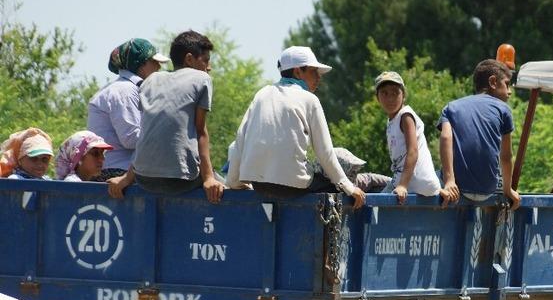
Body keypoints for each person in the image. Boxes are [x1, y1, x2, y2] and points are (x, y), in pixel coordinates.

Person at [225, 46, 365, 207]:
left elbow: (240, 138)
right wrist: (349, 188)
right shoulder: (309, 100)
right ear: (298, 72)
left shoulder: (262, 94)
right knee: (333, 184)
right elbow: (325, 153)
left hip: (259, 185)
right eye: (314, 72)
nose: (318, 77)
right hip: (292, 186)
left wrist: (233, 181)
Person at [108, 30, 224, 204]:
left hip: (143, 178)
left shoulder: (151, 80)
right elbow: (201, 132)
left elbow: (148, 133)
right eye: (205, 60)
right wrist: (208, 179)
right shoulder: (202, 78)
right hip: (182, 181)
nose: (209, 67)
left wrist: (126, 178)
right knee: (226, 185)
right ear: (190, 59)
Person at [437, 59, 520, 210]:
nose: (509, 91)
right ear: (493, 82)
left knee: (429, 176)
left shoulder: (451, 107)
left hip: (457, 188)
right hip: (487, 190)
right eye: (507, 84)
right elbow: (506, 156)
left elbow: (446, 138)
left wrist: (449, 180)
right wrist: (508, 190)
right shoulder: (503, 110)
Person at [87, 38, 170, 180]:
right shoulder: (125, 90)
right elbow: (130, 139)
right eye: (154, 62)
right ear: (141, 64)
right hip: (116, 172)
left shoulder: (121, 88)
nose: (158, 67)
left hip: (116, 170)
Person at [374, 71, 442, 203]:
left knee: (372, 205)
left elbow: (413, 151)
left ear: (403, 95)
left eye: (395, 93)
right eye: (384, 93)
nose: (390, 99)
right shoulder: (392, 121)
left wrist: (402, 185)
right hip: (416, 183)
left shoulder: (406, 116)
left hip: (412, 183)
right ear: (377, 97)